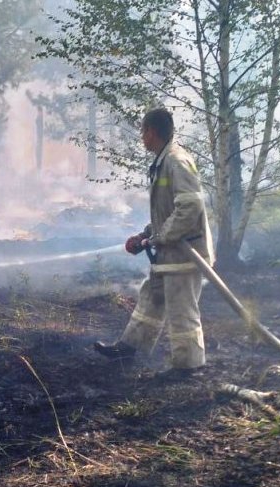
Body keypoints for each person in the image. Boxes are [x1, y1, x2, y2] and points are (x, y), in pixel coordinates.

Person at [94, 107, 214, 372]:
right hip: (169, 253)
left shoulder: (176, 161)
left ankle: (188, 367)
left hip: (185, 255)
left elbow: (189, 209)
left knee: (182, 311)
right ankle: (129, 348)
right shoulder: (164, 161)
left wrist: (159, 237)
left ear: (152, 131)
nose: (142, 138)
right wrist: (146, 235)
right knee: (151, 299)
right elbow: (168, 211)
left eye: (143, 132)